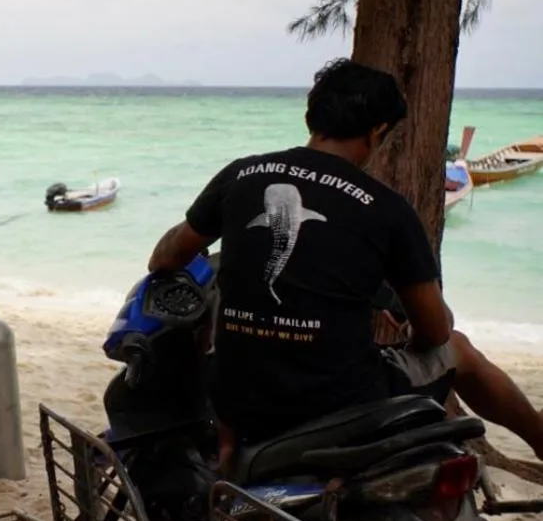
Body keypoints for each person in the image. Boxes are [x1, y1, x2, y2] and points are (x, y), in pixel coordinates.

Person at [149, 58, 543, 456]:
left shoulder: (241, 175)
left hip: (240, 400)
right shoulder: (386, 209)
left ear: (312, 117)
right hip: (341, 406)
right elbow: (435, 331)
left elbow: (165, 258)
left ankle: (231, 467)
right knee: (458, 348)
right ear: (376, 131)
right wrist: (414, 336)